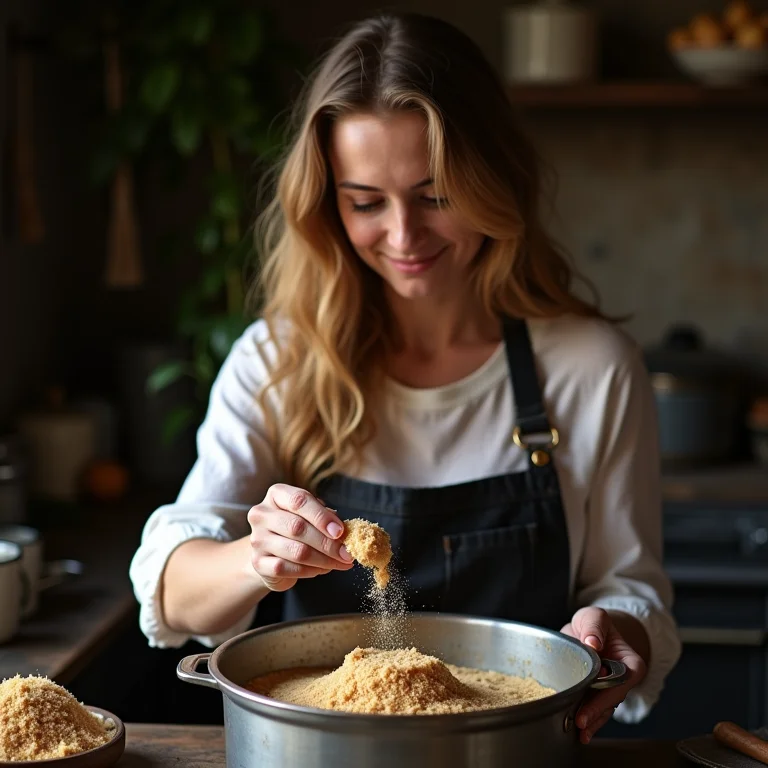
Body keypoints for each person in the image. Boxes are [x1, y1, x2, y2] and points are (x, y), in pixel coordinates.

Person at [130, 12, 680, 742]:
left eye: (436, 194)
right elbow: (171, 589)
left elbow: (632, 590)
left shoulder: (590, 369)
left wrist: (615, 630)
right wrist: (256, 558)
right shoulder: (280, 362)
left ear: (493, 179)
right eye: (364, 202)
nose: (402, 236)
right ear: (329, 204)